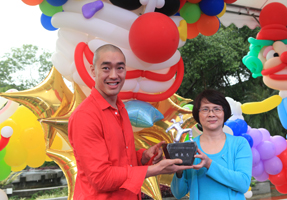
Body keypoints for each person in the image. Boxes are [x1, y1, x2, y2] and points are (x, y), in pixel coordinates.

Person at [68, 44, 193, 200]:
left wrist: (143, 158)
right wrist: (154, 169)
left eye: (120, 68)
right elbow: (101, 178)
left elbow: (120, 161)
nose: (114, 75)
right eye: (106, 68)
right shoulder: (85, 116)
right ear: (93, 71)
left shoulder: (120, 109)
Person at [171, 89, 252, 200]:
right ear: (197, 114)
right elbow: (178, 193)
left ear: (225, 112)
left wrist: (209, 164)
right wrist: (179, 172)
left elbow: (243, 184)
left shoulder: (239, 144)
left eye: (216, 109)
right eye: (205, 109)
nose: (211, 114)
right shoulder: (188, 146)